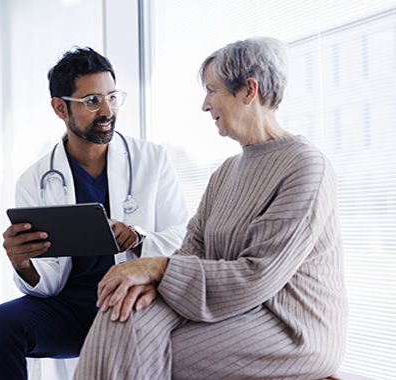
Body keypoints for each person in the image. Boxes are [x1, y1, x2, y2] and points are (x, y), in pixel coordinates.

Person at [72, 37, 348, 380]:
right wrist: (151, 280)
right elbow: (192, 249)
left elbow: (256, 275)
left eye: (212, 90)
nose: (205, 104)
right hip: (230, 310)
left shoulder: (306, 168)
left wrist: (158, 269)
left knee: (146, 350)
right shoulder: (227, 172)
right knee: (121, 312)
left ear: (249, 90)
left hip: (289, 327)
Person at [0, 47, 189, 380]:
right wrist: (22, 264)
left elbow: (184, 239)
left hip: (133, 298)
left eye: (112, 97)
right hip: (70, 307)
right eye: (92, 100)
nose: (107, 110)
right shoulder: (35, 181)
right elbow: (46, 284)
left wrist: (139, 237)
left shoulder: (153, 160)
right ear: (61, 108)